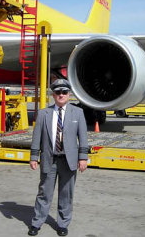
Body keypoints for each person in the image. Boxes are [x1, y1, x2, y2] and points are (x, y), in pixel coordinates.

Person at [28, 79, 89, 236]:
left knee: (66, 194)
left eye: (64, 92)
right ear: (53, 95)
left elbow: (83, 137)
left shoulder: (78, 113)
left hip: (69, 161)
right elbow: (36, 137)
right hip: (49, 159)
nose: (61, 95)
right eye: (58, 92)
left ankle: (63, 224)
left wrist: (83, 158)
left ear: (69, 94)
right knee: (44, 193)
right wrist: (34, 156)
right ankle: (37, 222)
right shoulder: (43, 114)